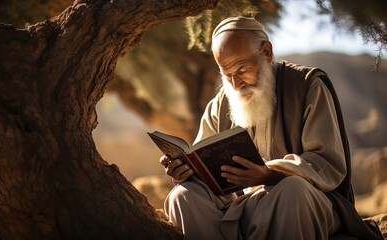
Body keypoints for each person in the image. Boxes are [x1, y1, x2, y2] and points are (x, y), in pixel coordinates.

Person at [159, 17, 383, 240]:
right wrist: (186, 172)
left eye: (241, 70)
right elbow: (206, 167)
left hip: (304, 201)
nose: (236, 84)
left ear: (266, 52)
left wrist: (268, 174)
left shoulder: (307, 85)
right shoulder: (220, 104)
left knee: (293, 190)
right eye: (227, 75)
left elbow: (326, 162)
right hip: (242, 207)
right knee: (183, 196)